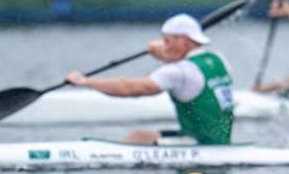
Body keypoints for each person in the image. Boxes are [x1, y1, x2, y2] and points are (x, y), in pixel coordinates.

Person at [65, 14, 234, 145]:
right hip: (219, 140)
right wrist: (161, 51)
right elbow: (183, 66)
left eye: (167, 41)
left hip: (198, 144)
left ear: (182, 39)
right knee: (139, 136)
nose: (165, 46)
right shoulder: (218, 59)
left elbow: (129, 88)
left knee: (136, 139)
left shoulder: (180, 71)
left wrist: (86, 82)